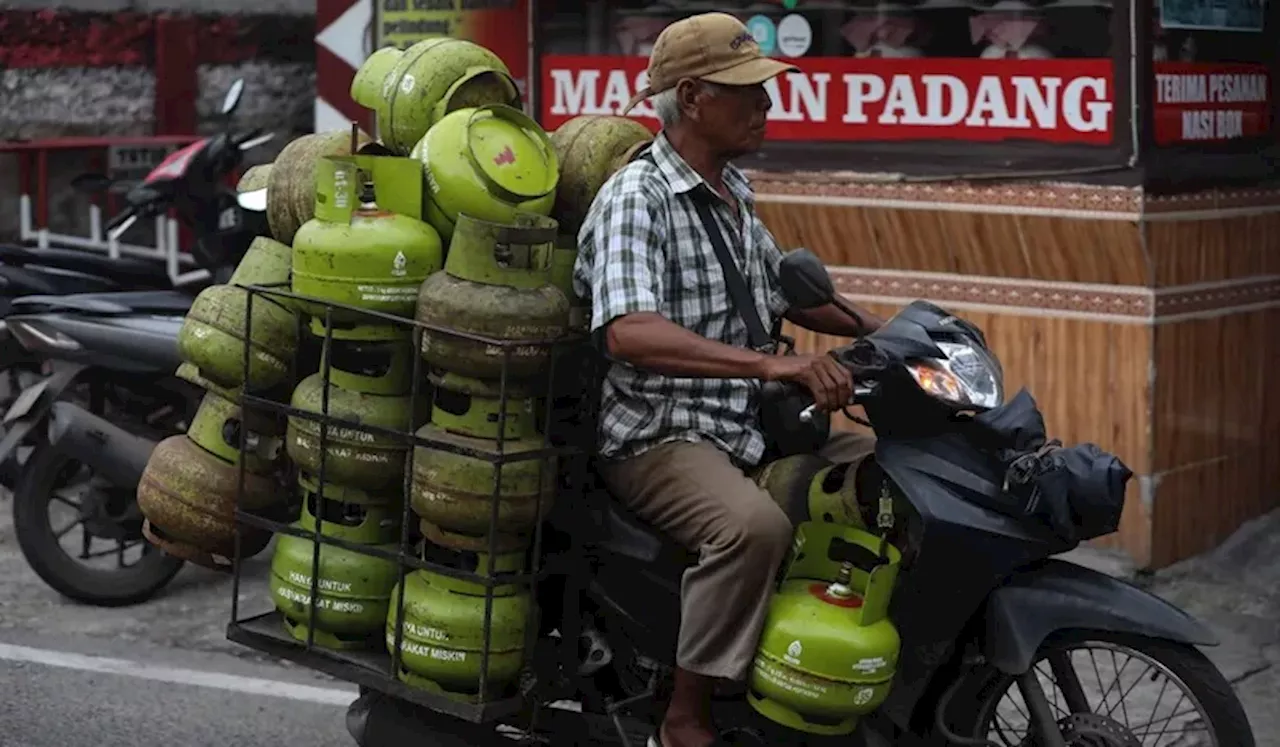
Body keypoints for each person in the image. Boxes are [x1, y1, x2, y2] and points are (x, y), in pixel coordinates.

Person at [573, 12, 886, 747]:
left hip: (744, 421)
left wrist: (887, 332)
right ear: (692, 97)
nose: (765, 107)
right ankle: (686, 716)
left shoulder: (734, 192)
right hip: (659, 432)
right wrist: (777, 363)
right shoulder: (636, 197)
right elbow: (629, 330)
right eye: (746, 92)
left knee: (885, 475)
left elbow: (789, 289)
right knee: (752, 526)